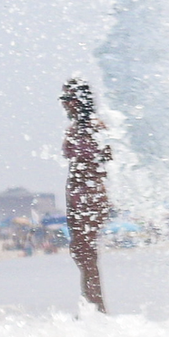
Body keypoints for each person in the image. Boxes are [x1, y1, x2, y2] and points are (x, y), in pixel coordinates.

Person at [61, 79, 112, 313]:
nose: (64, 103)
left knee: (87, 252)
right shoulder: (73, 129)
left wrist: (93, 172)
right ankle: (91, 304)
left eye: (68, 98)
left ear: (80, 100)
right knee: (80, 253)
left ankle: (97, 308)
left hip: (91, 193)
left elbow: (108, 156)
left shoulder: (95, 126)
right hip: (75, 194)